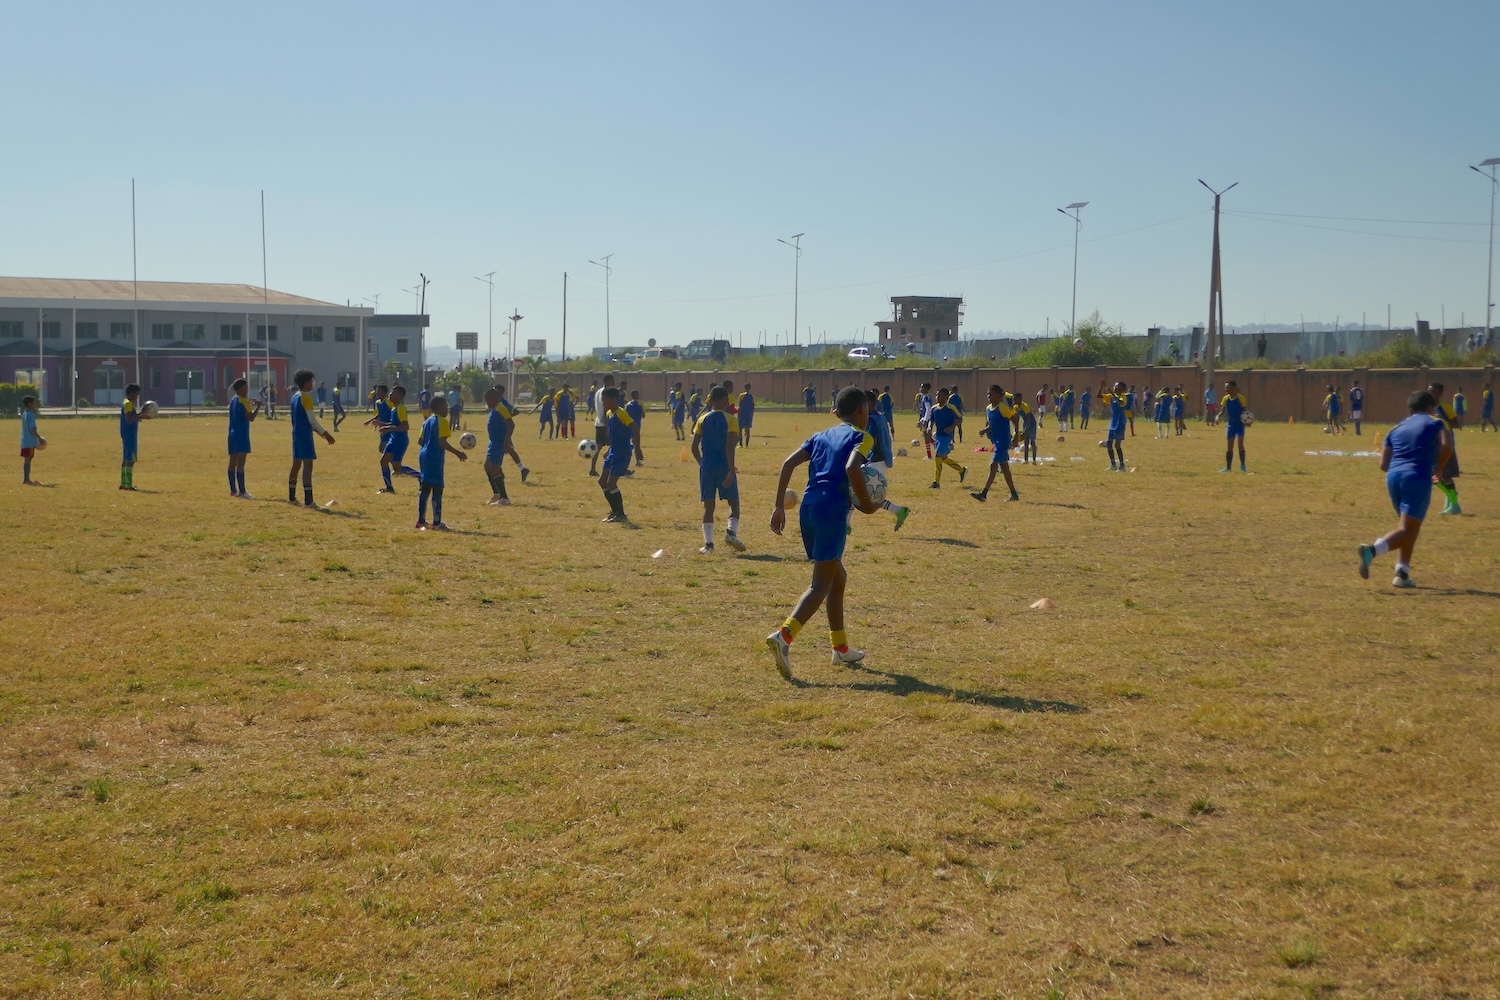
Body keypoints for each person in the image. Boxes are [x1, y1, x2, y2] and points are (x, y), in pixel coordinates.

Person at [765, 386, 880, 680]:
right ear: (860, 412)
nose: (869, 415)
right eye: (867, 410)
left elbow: (788, 463)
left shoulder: (820, 436)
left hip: (809, 508)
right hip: (831, 510)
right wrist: (868, 504)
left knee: (837, 577)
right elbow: (853, 467)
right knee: (820, 584)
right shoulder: (863, 437)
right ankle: (783, 637)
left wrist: (779, 506)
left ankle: (840, 648)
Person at [1357, 391, 1451, 589]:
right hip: (1417, 476)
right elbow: (1447, 445)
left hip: (1393, 476)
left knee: (1408, 528)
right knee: (1408, 529)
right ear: (1430, 408)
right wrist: (1439, 468)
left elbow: (1383, 463)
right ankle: (1372, 551)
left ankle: (1402, 573)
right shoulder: (1436, 422)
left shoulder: (1395, 429)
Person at [691, 385, 745, 554]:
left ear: (710, 401)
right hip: (723, 465)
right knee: (734, 503)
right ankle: (730, 533)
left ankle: (708, 545)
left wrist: (703, 464)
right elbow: (729, 446)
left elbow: (693, 447)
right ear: (725, 400)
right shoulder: (731, 419)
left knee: (709, 506)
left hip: (707, 466)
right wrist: (730, 469)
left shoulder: (702, 419)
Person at [416, 394, 467, 530]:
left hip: (423, 456)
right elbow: (442, 442)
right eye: (445, 406)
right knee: (437, 488)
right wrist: (458, 453)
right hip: (434, 457)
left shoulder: (427, 421)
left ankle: (420, 521)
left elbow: (420, 441)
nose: (448, 409)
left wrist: (428, 446)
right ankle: (437, 523)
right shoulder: (443, 422)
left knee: (425, 488)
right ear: (439, 407)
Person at [288, 368, 336, 507]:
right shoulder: (306, 398)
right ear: (305, 382)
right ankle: (308, 501)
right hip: (304, 437)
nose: (313, 384)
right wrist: (326, 434)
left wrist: (318, 432)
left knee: (296, 465)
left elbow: (302, 420)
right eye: (311, 381)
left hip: (296, 435)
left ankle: (291, 497)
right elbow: (312, 420)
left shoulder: (295, 397)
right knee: (307, 466)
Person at [971, 385, 1019, 503]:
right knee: (1005, 468)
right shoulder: (988, 409)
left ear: (998, 396)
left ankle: (984, 493)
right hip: (996, 441)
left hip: (1003, 441)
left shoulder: (1002, 408)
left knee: (993, 466)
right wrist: (984, 430)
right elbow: (992, 425)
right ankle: (1014, 494)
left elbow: (1015, 420)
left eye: (991, 394)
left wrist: (1016, 436)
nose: (989, 396)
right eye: (988, 394)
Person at [597, 386, 637, 523]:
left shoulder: (621, 413)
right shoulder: (609, 413)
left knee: (612, 483)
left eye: (605, 400)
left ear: (613, 399)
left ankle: (620, 514)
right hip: (613, 451)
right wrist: (609, 449)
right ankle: (614, 511)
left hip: (622, 452)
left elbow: (634, 427)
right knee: (602, 481)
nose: (603, 402)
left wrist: (637, 448)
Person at [1427, 382, 1462, 515]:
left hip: (1444, 444)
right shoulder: (1426, 408)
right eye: (1428, 390)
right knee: (1430, 475)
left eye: (1432, 391)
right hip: (1431, 446)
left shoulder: (1445, 408)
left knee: (1445, 475)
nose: (1429, 392)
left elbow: (1456, 424)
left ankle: (1454, 505)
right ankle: (1450, 493)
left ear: (1439, 394)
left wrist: (1443, 420)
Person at [376, 384, 418, 492]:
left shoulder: (401, 409)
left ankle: (421, 476)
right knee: (383, 461)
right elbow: (394, 423)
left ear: (399, 396)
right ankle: (389, 488)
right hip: (393, 439)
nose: (390, 394)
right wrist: (383, 425)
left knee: (397, 468)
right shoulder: (394, 409)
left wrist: (388, 428)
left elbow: (405, 427)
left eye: (392, 392)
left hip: (400, 441)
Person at [226, 378, 262, 498]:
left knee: (232, 462)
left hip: (231, 434)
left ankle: (233, 490)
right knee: (241, 463)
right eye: (246, 387)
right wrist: (258, 407)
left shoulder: (233, 400)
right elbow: (250, 417)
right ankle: (242, 491)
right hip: (241, 435)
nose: (247, 389)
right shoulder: (244, 402)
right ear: (241, 389)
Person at [482, 386, 515, 505]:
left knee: (495, 468)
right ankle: (497, 493)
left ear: (494, 398)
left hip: (499, 442)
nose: (487, 403)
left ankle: (504, 498)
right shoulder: (495, 408)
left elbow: (511, 424)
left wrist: (506, 441)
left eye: (488, 400)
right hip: (493, 442)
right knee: (487, 466)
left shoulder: (501, 408)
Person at [928, 387, 966, 488]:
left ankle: (936, 482)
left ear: (946, 397)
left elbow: (960, 419)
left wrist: (951, 427)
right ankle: (962, 470)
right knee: (943, 458)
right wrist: (929, 428)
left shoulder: (950, 407)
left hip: (947, 436)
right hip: (938, 436)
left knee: (938, 457)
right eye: (936, 395)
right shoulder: (934, 408)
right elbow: (931, 420)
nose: (937, 397)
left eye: (939, 395)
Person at [119, 383, 148, 490]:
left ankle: (124, 483)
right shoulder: (128, 404)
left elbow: (132, 418)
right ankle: (128, 485)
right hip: (129, 435)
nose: (137, 397)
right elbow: (130, 419)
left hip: (127, 434)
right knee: (130, 460)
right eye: (136, 394)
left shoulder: (127, 403)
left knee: (126, 459)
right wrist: (140, 414)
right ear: (132, 393)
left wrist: (142, 416)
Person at [588, 374, 617, 477]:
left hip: (599, 422)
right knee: (615, 443)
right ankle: (613, 466)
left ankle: (592, 469)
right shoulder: (605, 393)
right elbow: (605, 408)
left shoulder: (598, 391)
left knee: (598, 447)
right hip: (605, 423)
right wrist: (607, 425)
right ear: (607, 381)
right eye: (612, 380)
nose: (614, 382)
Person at [1098, 378, 1127, 472]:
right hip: (1113, 423)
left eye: (1117, 386)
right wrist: (1101, 386)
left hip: (1120, 423)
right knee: (1109, 444)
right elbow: (1098, 396)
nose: (1115, 387)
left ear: (1122, 389)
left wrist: (1112, 394)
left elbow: (1121, 403)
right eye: (1114, 386)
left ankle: (1122, 466)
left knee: (1117, 445)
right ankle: (1113, 464)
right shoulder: (1111, 397)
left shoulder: (1123, 396)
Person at [1220, 380, 1249, 473]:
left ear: (1233, 388)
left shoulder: (1241, 398)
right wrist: (1218, 416)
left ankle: (1243, 466)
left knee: (1240, 444)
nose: (1225, 389)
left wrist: (1248, 421)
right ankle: (1228, 468)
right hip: (1231, 425)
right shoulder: (1225, 398)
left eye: (1227, 387)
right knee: (1230, 446)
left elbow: (1245, 412)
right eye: (1225, 387)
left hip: (1239, 425)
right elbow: (1222, 411)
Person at [19, 394, 43, 486]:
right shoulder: (31, 415)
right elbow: (32, 428)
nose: (35, 404)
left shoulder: (24, 413)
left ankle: (26, 479)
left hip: (25, 440)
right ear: (29, 404)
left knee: (27, 459)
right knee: (28, 460)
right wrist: (39, 438)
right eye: (34, 403)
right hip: (29, 441)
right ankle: (26, 480)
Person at [625, 390, 646, 468]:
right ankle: (637, 461)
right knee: (636, 444)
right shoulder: (639, 405)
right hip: (636, 427)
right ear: (637, 396)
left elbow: (625, 414)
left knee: (631, 443)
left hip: (628, 426)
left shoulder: (628, 405)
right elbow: (643, 415)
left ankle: (636, 459)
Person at [914, 382, 934, 459]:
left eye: (921, 387)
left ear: (926, 389)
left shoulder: (925, 397)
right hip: (926, 418)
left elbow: (928, 409)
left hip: (927, 418)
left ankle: (929, 456)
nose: (920, 389)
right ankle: (936, 447)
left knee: (926, 436)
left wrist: (925, 420)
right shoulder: (926, 396)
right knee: (927, 436)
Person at [1016, 393, 1037, 464]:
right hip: (1025, 423)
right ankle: (1026, 460)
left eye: (1015, 399)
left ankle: (1034, 460)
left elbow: (1029, 419)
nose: (1014, 401)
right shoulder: (1016, 407)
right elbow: (1017, 418)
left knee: (1032, 442)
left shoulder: (1025, 406)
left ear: (1020, 399)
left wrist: (1026, 430)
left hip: (1032, 423)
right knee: (1026, 442)